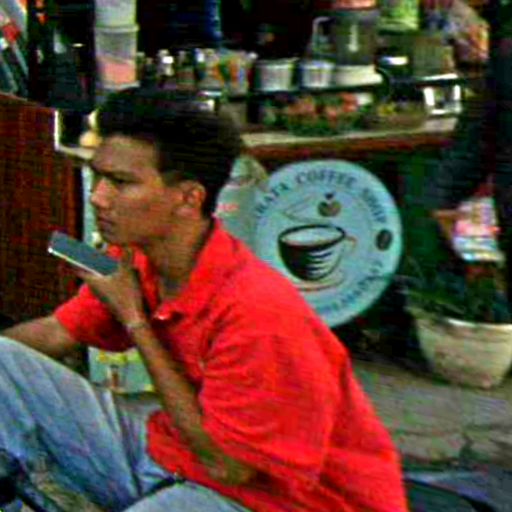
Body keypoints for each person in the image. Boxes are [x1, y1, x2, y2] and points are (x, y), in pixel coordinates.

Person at [0, 87, 408, 511]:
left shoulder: (258, 312)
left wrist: (134, 320)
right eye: (97, 176)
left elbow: (227, 467)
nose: (98, 197)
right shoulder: (136, 257)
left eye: (121, 183)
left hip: (273, 500)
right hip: (171, 458)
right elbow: (57, 331)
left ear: (188, 198)